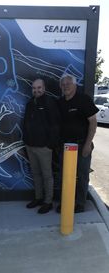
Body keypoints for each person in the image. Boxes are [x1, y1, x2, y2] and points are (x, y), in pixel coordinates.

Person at [57, 74, 99, 213]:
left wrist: (88, 144)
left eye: (68, 83)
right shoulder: (60, 102)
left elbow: (93, 122)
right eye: (63, 84)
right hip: (66, 146)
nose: (66, 86)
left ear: (75, 85)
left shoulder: (84, 100)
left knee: (82, 175)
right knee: (65, 175)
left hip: (82, 145)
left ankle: (80, 203)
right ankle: (66, 201)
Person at [23, 79, 60, 214]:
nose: (36, 90)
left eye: (39, 88)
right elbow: (25, 123)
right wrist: (26, 141)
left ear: (44, 88)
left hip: (44, 148)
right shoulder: (29, 104)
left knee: (47, 176)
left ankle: (48, 202)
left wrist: (50, 145)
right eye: (34, 88)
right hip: (30, 146)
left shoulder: (49, 102)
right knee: (36, 174)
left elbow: (55, 126)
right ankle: (38, 198)